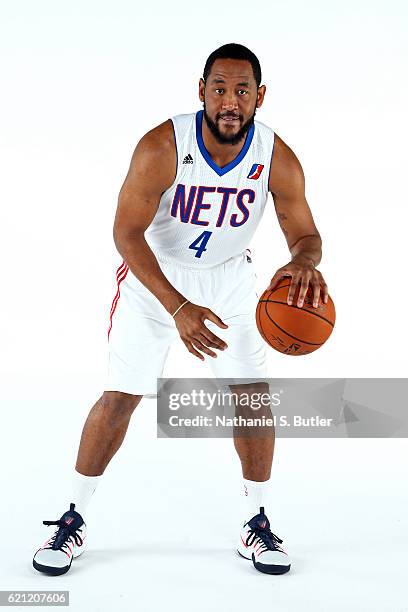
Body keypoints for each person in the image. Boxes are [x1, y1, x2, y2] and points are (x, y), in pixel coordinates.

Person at [32, 43, 328, 576]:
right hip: (156, 277)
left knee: (253, 398)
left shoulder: (275, 155)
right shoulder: (161, 146)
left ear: (260, 96)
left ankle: (256, 523)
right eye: (219, 89)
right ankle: (71, 515)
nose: (229, 102)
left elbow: (304, 233)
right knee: (120, 398)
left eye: (242, 90)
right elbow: (125, 233)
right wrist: (178, 307)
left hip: (231, 281)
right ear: (202, 91)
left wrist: (306, 262)